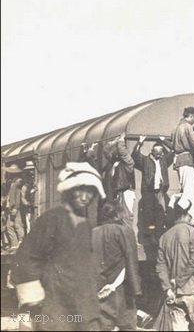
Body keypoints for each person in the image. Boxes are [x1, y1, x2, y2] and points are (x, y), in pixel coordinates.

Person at [11, 162, 104, 331]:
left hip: (85, 304)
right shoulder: (51, 219)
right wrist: (33, 298)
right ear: (68, 191)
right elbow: (26, 257)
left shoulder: (87, 225)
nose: (85, 197)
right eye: (80, 190)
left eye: (90, 192)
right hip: (57, 304)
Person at [155, 193, 194, 331]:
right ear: (188, 213)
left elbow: (160, 266)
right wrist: (178, 282)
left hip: (174, 295)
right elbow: (193, 262)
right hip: (193, 290)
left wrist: (168, 288)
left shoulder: (164, 237)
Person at [93, 201, 142, 331]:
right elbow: (131, 260)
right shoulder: (124, 231)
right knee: (127, 326)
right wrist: (136, 288)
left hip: (98, 288)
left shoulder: (93, 233)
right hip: (121, 288)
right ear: (117, 214)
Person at [132, 135, 175, 243]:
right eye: (157, 152)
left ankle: (158, 235)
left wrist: (163, 140)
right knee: (149, 215)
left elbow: (173, 151)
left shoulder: (163, 161)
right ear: (152, 152)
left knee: (160, 214)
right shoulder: (145, 160)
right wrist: (140, 142)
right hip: (148, 191)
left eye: (161, 152)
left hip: (160, 191)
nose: (159, 154)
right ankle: (151, 236)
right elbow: (135, 155)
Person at [103, 132, 137, 218]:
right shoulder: (114, 163)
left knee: (127, 214)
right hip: (118, 192)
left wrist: (121, 140)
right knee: (119, 214)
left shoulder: (128, 163)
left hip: (126, 191)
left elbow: (123, 152)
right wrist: (114, 141)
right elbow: (106, 151)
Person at [5, 177, 24, 250]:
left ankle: (19, 242)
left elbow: (16, 199)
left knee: (16, 225)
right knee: (10, 226)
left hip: (14, 209)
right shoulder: (13, 187)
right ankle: (16, 243)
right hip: (12, 209)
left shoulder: (15, 186)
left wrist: (15, 208)